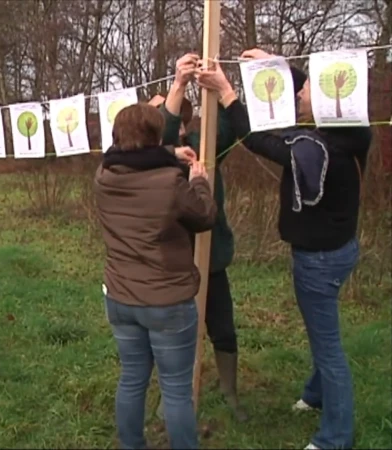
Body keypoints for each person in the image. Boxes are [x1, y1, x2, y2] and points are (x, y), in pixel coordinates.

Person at [196, 48, 372, 450]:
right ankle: (315, 395)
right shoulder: (355, 131)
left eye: (307, 86)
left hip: (319, 260)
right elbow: (302, 102)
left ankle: (335, 438)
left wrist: (226, 92)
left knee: (329, 350)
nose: (301, 92)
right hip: (342, 249)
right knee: (321, 331)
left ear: (326, 100)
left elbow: (259, 142)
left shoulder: (318, 148)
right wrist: (274, 65)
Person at [95, 102, 216, 449]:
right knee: (176, 390)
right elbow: (204, 216)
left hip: (120, 298)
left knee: (132, 379)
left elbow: (117, 154)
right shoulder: (170, 181)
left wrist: (168, 153)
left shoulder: (103, 174)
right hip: (167, 302)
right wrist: (200, 183)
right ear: (156, 136)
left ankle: (132, 445)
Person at [157, 53, 247, 421]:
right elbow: (157, 136)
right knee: (171, 333)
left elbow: (231, 127)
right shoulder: (153, 157)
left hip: (211, 257)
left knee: (222, 326)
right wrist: (177, 83)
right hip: (171, 262)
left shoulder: (203, 143)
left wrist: (222, 86)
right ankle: (171, 395)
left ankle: (228, 390)